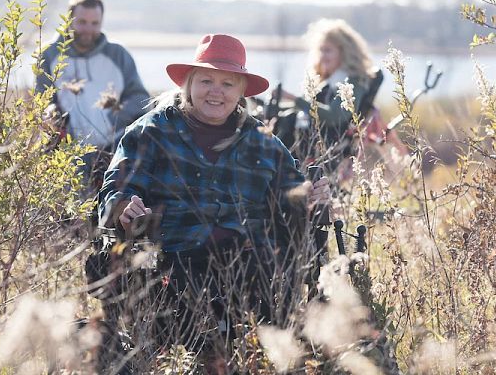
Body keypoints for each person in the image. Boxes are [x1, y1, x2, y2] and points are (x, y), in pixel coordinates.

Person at [98, 33, 330, 370]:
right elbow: (114, 190)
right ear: (189, 85)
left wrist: (314, 198)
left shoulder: (262, 141)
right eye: (206, 80)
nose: (216, 91)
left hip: (248, 275)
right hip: (172, 267)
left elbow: (297, 198)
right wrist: (123, 206)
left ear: (240, 92)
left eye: (227, 83)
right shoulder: (150, 132)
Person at [35, 0, 149, 181]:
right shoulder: (49, 54)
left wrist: (115, 119)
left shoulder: (118, 54)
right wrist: (51, 114)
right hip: (66, 154)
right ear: (69, 20)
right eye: (82, 22)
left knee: (110, 208)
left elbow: (141, 99)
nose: (88, 29)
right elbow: (42, 100)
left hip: (112, 153)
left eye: (95, 23)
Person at [280, 18, 405, 166]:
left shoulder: (353, 81)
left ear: (344, 51)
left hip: (323, 147)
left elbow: (335, 116)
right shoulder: (329, 80)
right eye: (320, 50)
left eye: (328, 50)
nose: (322, 56)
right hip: (308, 140)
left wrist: (294, 99)